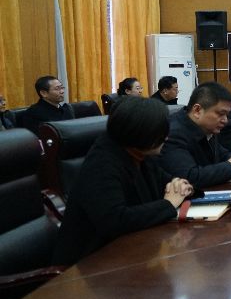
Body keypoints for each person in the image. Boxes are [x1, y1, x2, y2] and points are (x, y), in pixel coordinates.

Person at [51, 97, 194, 266]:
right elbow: (116, 221)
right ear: (140, 134)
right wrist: (168, 204)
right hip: (90, 264)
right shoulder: (102, 164)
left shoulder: (139, 153)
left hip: (133, 251)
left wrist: (182, 186)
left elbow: (168, 181)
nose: (167, 138)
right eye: (161, 133)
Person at [159, 82, 231, 188]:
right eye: (221, 114)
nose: (225, 120)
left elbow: (222, 155)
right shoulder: (173, 133)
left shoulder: (208, 128)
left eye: (227, 115)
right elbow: (188, 177)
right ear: (197, 110)